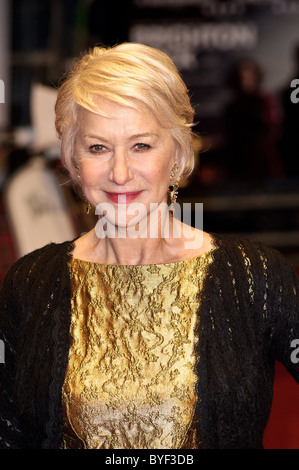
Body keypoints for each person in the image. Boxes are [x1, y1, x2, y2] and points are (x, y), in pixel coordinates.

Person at [0, 43, 298, 450]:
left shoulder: (255, 277)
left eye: (141, 145)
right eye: (97, 148)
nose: (120, 172)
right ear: (71, 159)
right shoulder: (30, 283)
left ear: (176, 154)